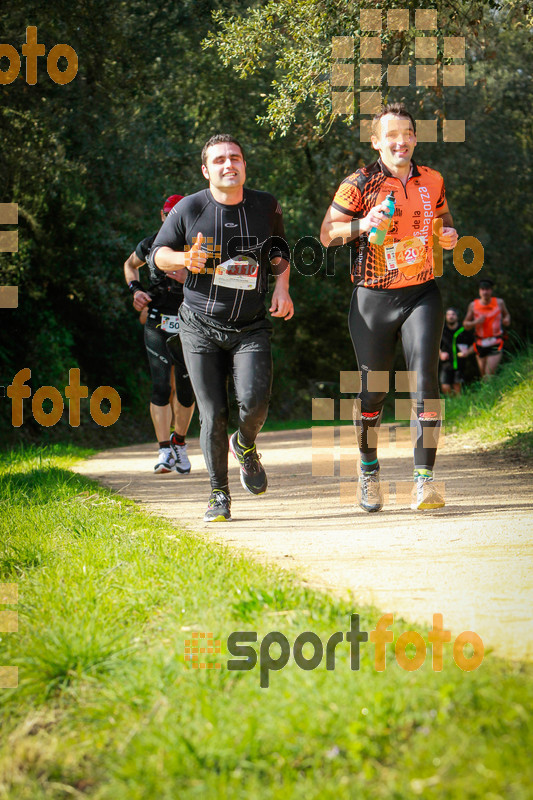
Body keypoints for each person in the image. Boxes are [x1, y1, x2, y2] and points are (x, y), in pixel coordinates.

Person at [320, 102, 458, 512]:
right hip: (373, 298)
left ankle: (424, 482)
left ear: (415, 138)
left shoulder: (432, 179)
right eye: (391, 135)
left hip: (421, 292)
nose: (401, 141)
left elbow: (446, 220)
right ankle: (368, 469)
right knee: (373, 392)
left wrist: (448, 234)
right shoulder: (359, 183)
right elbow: (327, 233)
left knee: (425, 383)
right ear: (377, 142)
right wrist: (364, 224)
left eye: (408, 134)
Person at [150, 134, 293, 522]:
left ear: (244, 164)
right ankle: (219, 495)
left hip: (251, 325)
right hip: (199, 325)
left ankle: (244, 444)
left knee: (256, 403)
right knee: (213, 412)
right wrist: (184, 257)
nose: (229, 165)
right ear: (206, 169)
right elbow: (157, 255)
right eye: (219, 160)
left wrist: (282, 286)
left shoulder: (266, 205)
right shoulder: (189, 208)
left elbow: (279, 250)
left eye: (235, 158)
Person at [124, 195, 195, 474]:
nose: (170, 219)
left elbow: (222, 280)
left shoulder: (198, 244)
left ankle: (180, 443)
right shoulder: (150, 243)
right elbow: (129, 266)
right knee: (161, 386)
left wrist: (188, 277)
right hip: (157, 321)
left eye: (176, 214)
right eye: (167, 213)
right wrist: (135, 291)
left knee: (186, 391)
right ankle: (164, 449)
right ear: (162, 215)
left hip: (191, 322)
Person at [463, 279, 510, 378]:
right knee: (483, 375)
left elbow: (507, 315)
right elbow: (465, 325)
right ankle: (490, 392)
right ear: (479, 291)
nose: (485, 292)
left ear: (491, 291)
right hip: (480, 343)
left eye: (487, 289)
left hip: (495, 341)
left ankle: (493, 392)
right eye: (482, 289)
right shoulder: (473, 305)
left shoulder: (499, 302)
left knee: (488, 376)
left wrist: (506, 320)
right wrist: (476, 322)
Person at [439, 307, 474, 395]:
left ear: (457, 317)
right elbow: (434, 346)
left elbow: (474, 344)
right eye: (449, 315)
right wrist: (440, 354)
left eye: (453, 314)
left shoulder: (463, 330)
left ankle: (458, 404)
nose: (451, 316)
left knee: (457, 386)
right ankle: (451, 403)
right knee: (445, 386)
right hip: (446, 364)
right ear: (446, 317)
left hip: (460, 364)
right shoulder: (441, 331)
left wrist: (468, 352)